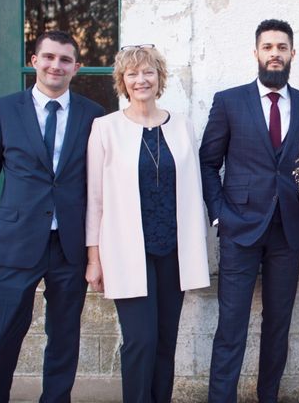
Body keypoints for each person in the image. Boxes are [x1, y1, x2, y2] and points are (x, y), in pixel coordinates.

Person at [0, 30, 104, 402]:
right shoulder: (3, 110)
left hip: (69, 248)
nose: (55, 65)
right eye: (48, 57)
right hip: (13, 246)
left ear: (76, 67)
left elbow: (100, 189)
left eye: (64, 60)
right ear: (34, 61)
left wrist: (98, 252)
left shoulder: (94, 116)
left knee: (64, 342)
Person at [199, 19, 299, 403]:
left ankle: (268, 396)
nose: (274, 54)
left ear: (291, 54)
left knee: (278, 324)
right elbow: (207, 163)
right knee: (231, 325)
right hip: (239, 228)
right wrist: (220, 213)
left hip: (289, 231)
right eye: (267, 47)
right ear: (256, 53)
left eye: (281, 47)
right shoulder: (228, 101)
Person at [85, 45, 210, 402]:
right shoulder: (105, 128)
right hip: (126, 252)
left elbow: (194, 188)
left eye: (148, 72)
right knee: (140, 341)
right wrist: (94, 258)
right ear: (123, 82)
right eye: (132, 74)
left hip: (173, 250)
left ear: (159, 78)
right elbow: (94, 199)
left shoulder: (183, 126)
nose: (141, 80)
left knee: (165, 342)